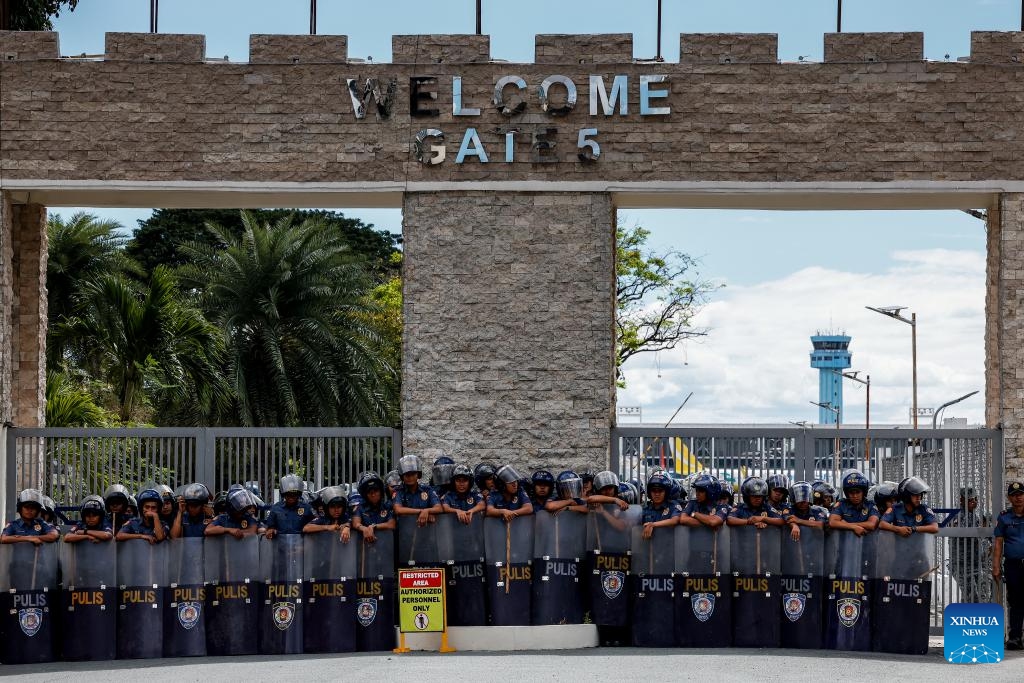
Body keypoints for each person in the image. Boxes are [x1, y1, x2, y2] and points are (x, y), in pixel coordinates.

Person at [993, 481, 1024, 650]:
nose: (1018, 498)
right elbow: (998, 543)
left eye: (1020, 494)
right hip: (1013, 565)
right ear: (1009, 498)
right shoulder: (1004, 517)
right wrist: (996, 566)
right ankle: (1015, 637)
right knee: (1016, 601)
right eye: (1014, 495)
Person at [949, 485, 990, 603]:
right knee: (972, 596)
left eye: (975, 499)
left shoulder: (975, 516)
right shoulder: (957, 515)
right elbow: (961, 531)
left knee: (974, 596)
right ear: (962, 500)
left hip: (975, 564)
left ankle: (969, 619)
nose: (974, 502)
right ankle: (968, 619)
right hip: (961, 564)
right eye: (970, 500)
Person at [392, 455, 443, 526]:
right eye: (407, 475)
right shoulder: (398, 491)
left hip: (424, 531)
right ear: (402, 476)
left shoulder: (427, 490)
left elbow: (439, 508)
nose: (410, 477)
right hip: (404, 531)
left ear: (418, 474)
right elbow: (398, 509)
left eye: (413, 474)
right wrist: (422, 511)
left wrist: (427, 511)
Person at [828, 472, 879, 538]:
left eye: (858, 492)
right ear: (847, 493)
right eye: (851, 493)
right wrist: (853, 527)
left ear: (863, 492)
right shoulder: (841, 504)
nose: (855, 496)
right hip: (844, 543)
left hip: (866, 543)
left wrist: (845, 524)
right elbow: (832, 522)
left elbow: (872, 524)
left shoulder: (870, 505)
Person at [264, 473, 315, 539]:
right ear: (283, 494)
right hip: (281, 546)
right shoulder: (276, 508)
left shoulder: (307, 508)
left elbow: (314, 525)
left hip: (302, 546)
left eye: (294, 494)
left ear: (299, 494)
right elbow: (270, 526)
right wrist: (271, 530)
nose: (291, 497)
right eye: (288, 494)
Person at [352, 472, 396, 543]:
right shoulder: (360, 508)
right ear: (365, 495)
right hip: (365, 547)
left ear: (381, 491)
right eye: (369, 492)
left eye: (376, 491)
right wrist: (364, 529)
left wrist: (373, 527)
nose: (373, 495)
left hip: (385, 546)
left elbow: (392, 524)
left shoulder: (387, 506)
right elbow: (355, 523)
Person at [640, 473, 681, 539]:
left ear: (666, 492)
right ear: (649, 493)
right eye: (654, 491)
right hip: (650, 546)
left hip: (669, 545)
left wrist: (653, 524)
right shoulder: (645, 510)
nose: (657, 494)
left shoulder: (673, 506)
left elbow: (675, 520)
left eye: (660, 491)